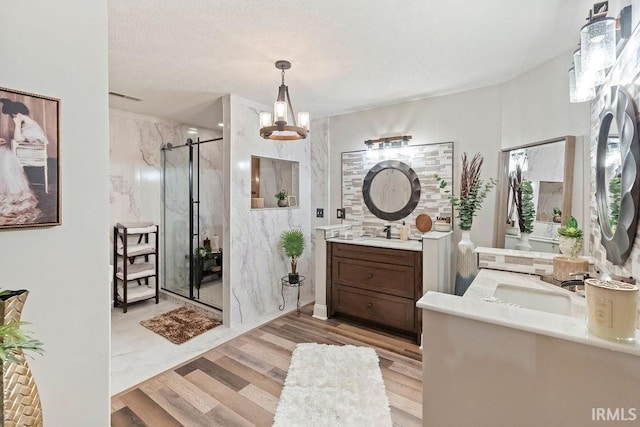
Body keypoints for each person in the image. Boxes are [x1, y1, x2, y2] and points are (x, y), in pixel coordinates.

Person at [0, 99, 43, 225]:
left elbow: (18, 139)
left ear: (17, 114)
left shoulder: (30, 126)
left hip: (30, 154)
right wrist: (6, 141)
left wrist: (17, 124)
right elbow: (18, 140)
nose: (12, 118)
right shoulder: (28, 124)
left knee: (5, 155)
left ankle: (12, 190)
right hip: (24, 151)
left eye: (12, 116)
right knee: (4, 151)